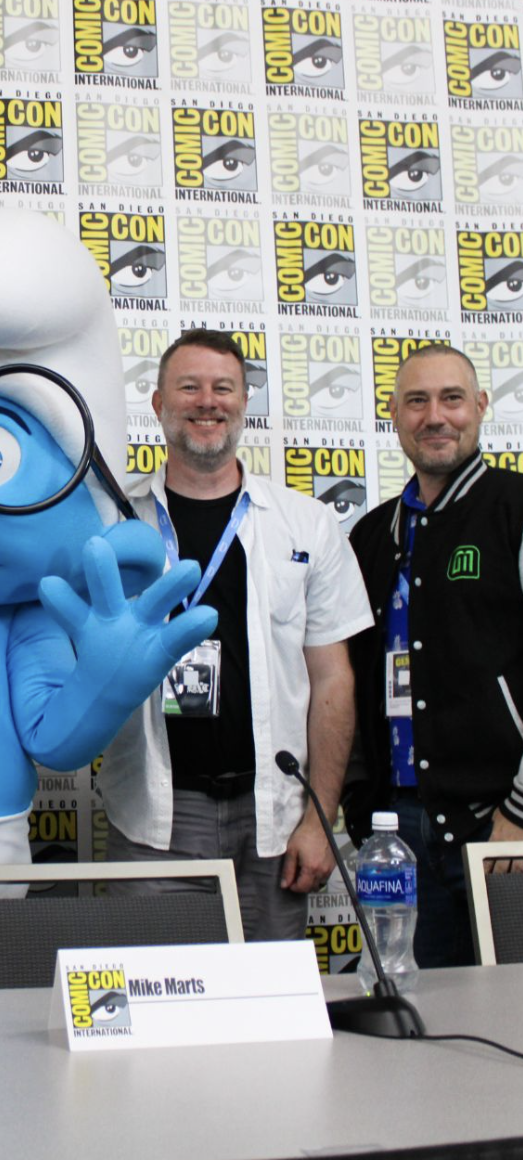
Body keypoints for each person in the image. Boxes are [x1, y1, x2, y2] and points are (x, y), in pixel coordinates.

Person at [98, 329, 373, 939]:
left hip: (273, 813)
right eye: (188, 387)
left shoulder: (308, 525)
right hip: (154, 811)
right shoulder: (115, 523)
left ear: (245, 402)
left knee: (272, 1014)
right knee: (157, 1005)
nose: (207, 401)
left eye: (223, 388)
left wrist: (319, 819)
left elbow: (332, 679)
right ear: (158, 405)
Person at [346, 344, 523, 968]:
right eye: (417, 401)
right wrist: (362, 805)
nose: (435, 416)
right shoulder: (370, 535)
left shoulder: (515, 509)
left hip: (501, 825)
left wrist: (519, 813)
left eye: (452, 399)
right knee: (420, 1028)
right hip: (401, 834)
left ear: (480, 407)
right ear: (392, 414)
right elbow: (348, 680)